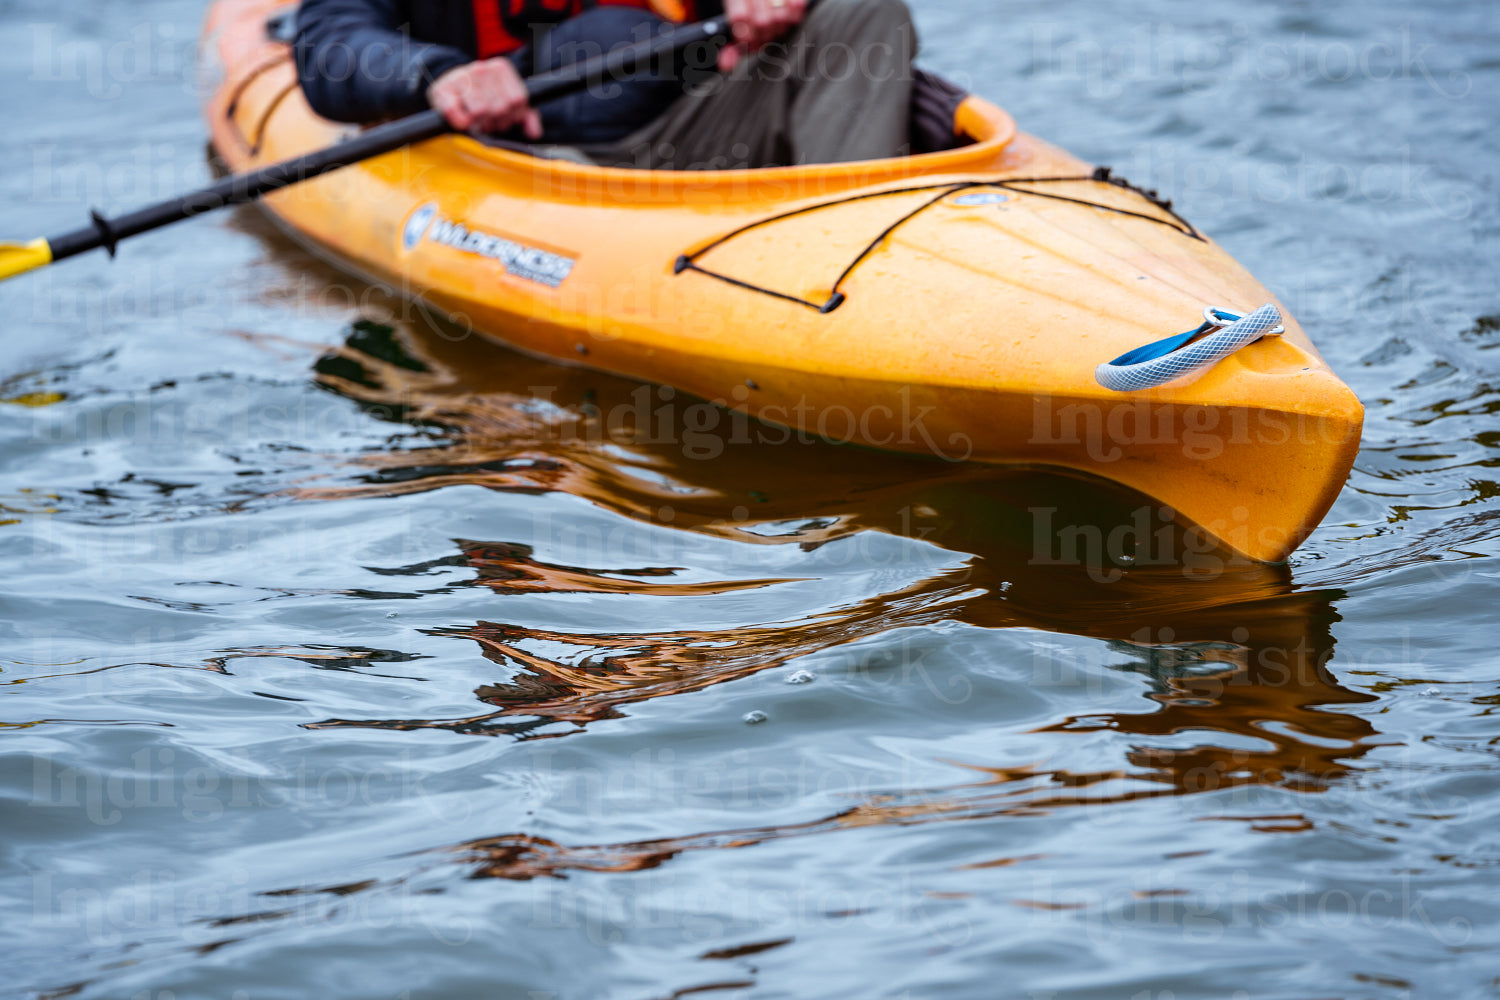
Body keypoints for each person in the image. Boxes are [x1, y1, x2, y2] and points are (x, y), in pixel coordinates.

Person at [294, 0, 921, 170]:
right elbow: (330, 46)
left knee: (865, 11)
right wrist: (436, 75)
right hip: (527, 159)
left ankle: (851, 250)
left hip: (691, 131)